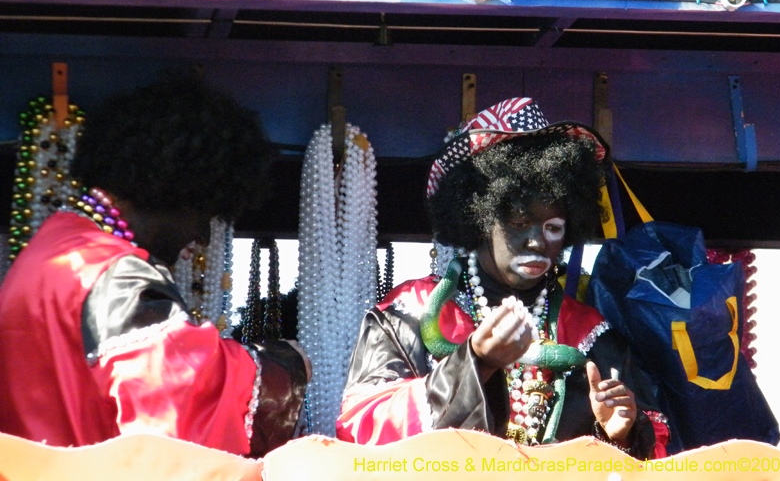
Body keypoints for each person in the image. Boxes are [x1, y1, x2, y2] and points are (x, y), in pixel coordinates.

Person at [336, 98, 668, 459]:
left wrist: (621, 434)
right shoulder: (408, 312)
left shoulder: (592, 334)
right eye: (520, 223)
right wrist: (474, 362)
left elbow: (652, 448)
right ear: (478, 221)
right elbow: (361, 424)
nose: (538, 241)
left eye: (553, 227)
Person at [0, 73, 309, 457]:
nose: (202, 237)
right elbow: (177, 409)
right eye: (208, 215)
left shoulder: (58, 246)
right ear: (184, 190)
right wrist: (287, 365)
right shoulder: (113, 273)